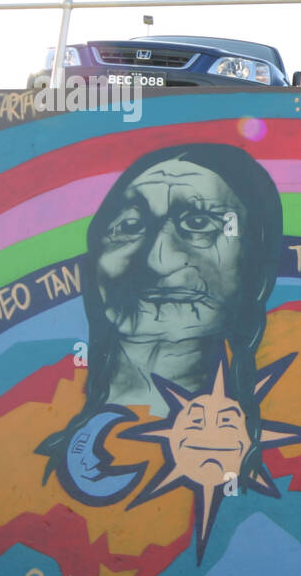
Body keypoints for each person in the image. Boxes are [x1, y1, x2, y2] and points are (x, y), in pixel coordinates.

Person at [36, 143, 284, 504]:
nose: (159, 259)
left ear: (258, 272)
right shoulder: (1, 425)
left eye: (199, 224)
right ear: (93, 269)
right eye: (129, 226)